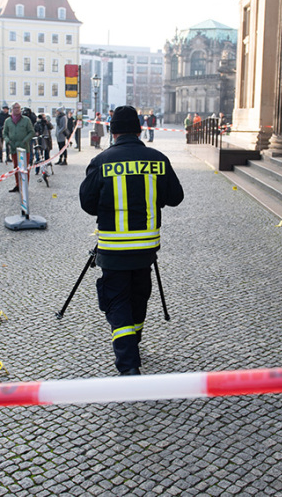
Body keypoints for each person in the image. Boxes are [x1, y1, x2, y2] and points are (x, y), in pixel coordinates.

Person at [79, 105, 184, 376]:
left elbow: (87, 203)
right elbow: (175, 197)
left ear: (112, 132)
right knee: (139, 296)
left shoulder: (102, 162)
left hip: (114, 248)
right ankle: (133, 343)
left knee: (116, 302)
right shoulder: (158, 159)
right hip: (146, 247)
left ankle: (128, 365)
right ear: (139, 129)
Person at [2, 102, 35, 193]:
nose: (17, 109)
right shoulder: (8, 121)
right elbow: (4, 133)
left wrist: (25, 141)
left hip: (24, 149)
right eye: (15, 108)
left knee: (24, 168)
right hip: (13, 148)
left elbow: (31, 132)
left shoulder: (26, 120)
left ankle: (24, 186)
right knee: (16, 168)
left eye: (18, 108)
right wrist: (8, 141)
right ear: (12, 109)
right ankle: (18, 185)